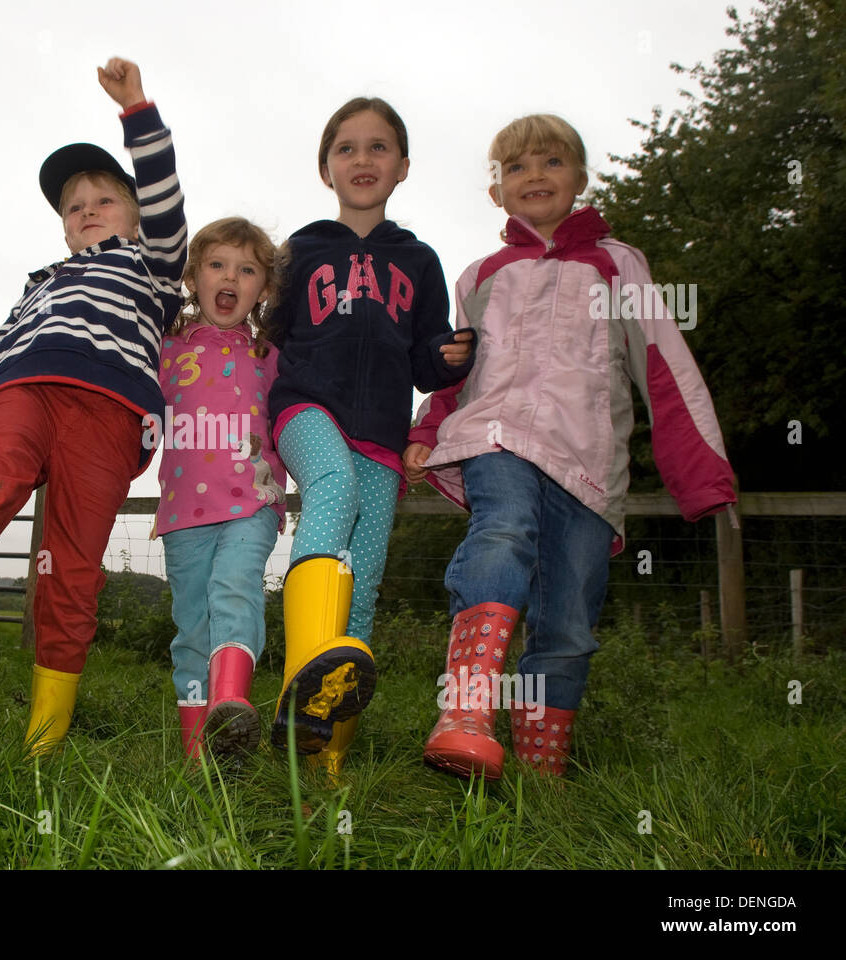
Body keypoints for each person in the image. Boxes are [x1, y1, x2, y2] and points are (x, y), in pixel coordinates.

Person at [408, 114, 736, 779]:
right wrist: (422, 431)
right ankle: (467, 709)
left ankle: (539, 772)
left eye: (551, 162)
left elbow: (664, 366)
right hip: (497, 437)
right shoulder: (480, 275)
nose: (534, 176)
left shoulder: (617, 264)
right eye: (516, 167)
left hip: (588, 464)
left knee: (568, 623)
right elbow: (456, 367)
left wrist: (700, 474)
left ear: (580, 180)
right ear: (496, 190)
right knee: (501, 534)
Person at [0, 58, 187, 757]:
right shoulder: (38, 285)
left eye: (103, 199)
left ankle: (44, 737)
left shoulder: (155, 266)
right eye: (72, 206)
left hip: (111, 410)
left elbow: (168, 195)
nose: (85, 210)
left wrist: (136, 109)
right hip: (26, 389)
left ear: (137, 219)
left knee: (70, 563)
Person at [268, 97, 475, 774]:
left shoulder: (419, 261)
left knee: (365, 581)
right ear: (325, 168)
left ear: (404, 166)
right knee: (332, 488)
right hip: (306, 408)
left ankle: (328, 755)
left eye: (379, 147)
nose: (363, 159)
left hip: (383, 433)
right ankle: (303, 672)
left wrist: (451, 358)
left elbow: (425, 356)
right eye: (347, 148)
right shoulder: (299, 250)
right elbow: (269, 338)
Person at [151, 217, 287, 762]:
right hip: (183, 512)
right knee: (192, 628)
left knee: (235, 589)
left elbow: (297, 413)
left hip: (252, 502)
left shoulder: (269, 357)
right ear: (192, 277)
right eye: (217, 265)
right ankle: (197, 752)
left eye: (247, 269)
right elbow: (134, 412)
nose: (230, 277)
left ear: (264, 289)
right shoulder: (165, 349)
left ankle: (230, 704)